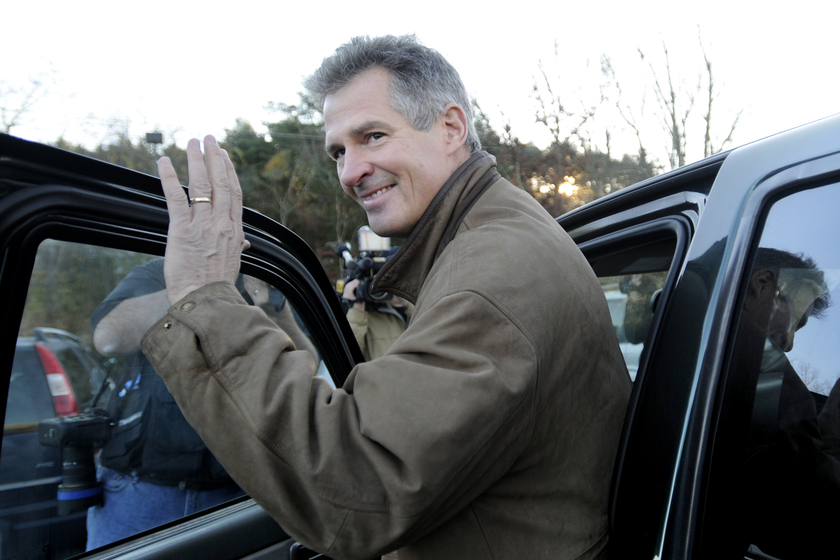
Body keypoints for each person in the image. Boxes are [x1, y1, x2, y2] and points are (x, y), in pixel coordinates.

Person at [141, 35, 631, 559]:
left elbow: (358, 487)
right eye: (339, 151)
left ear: (451, 128)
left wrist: (203, 299)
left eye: (372, 136)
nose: (350, 173)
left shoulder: (495, 271)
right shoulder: (492, 239)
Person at [87, 258, 316, 549]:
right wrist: (194, 287)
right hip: (143, 489)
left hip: (238, 490)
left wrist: (272, 306)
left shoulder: (255, 278)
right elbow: (108, 338)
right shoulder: (161, 271)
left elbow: (308, 362)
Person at [716, 247, 840, 560]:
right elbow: (826, 530)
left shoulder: (684, 327)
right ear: (764, 283)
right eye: (796, 320)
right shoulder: (764, 377)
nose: (790, 342)